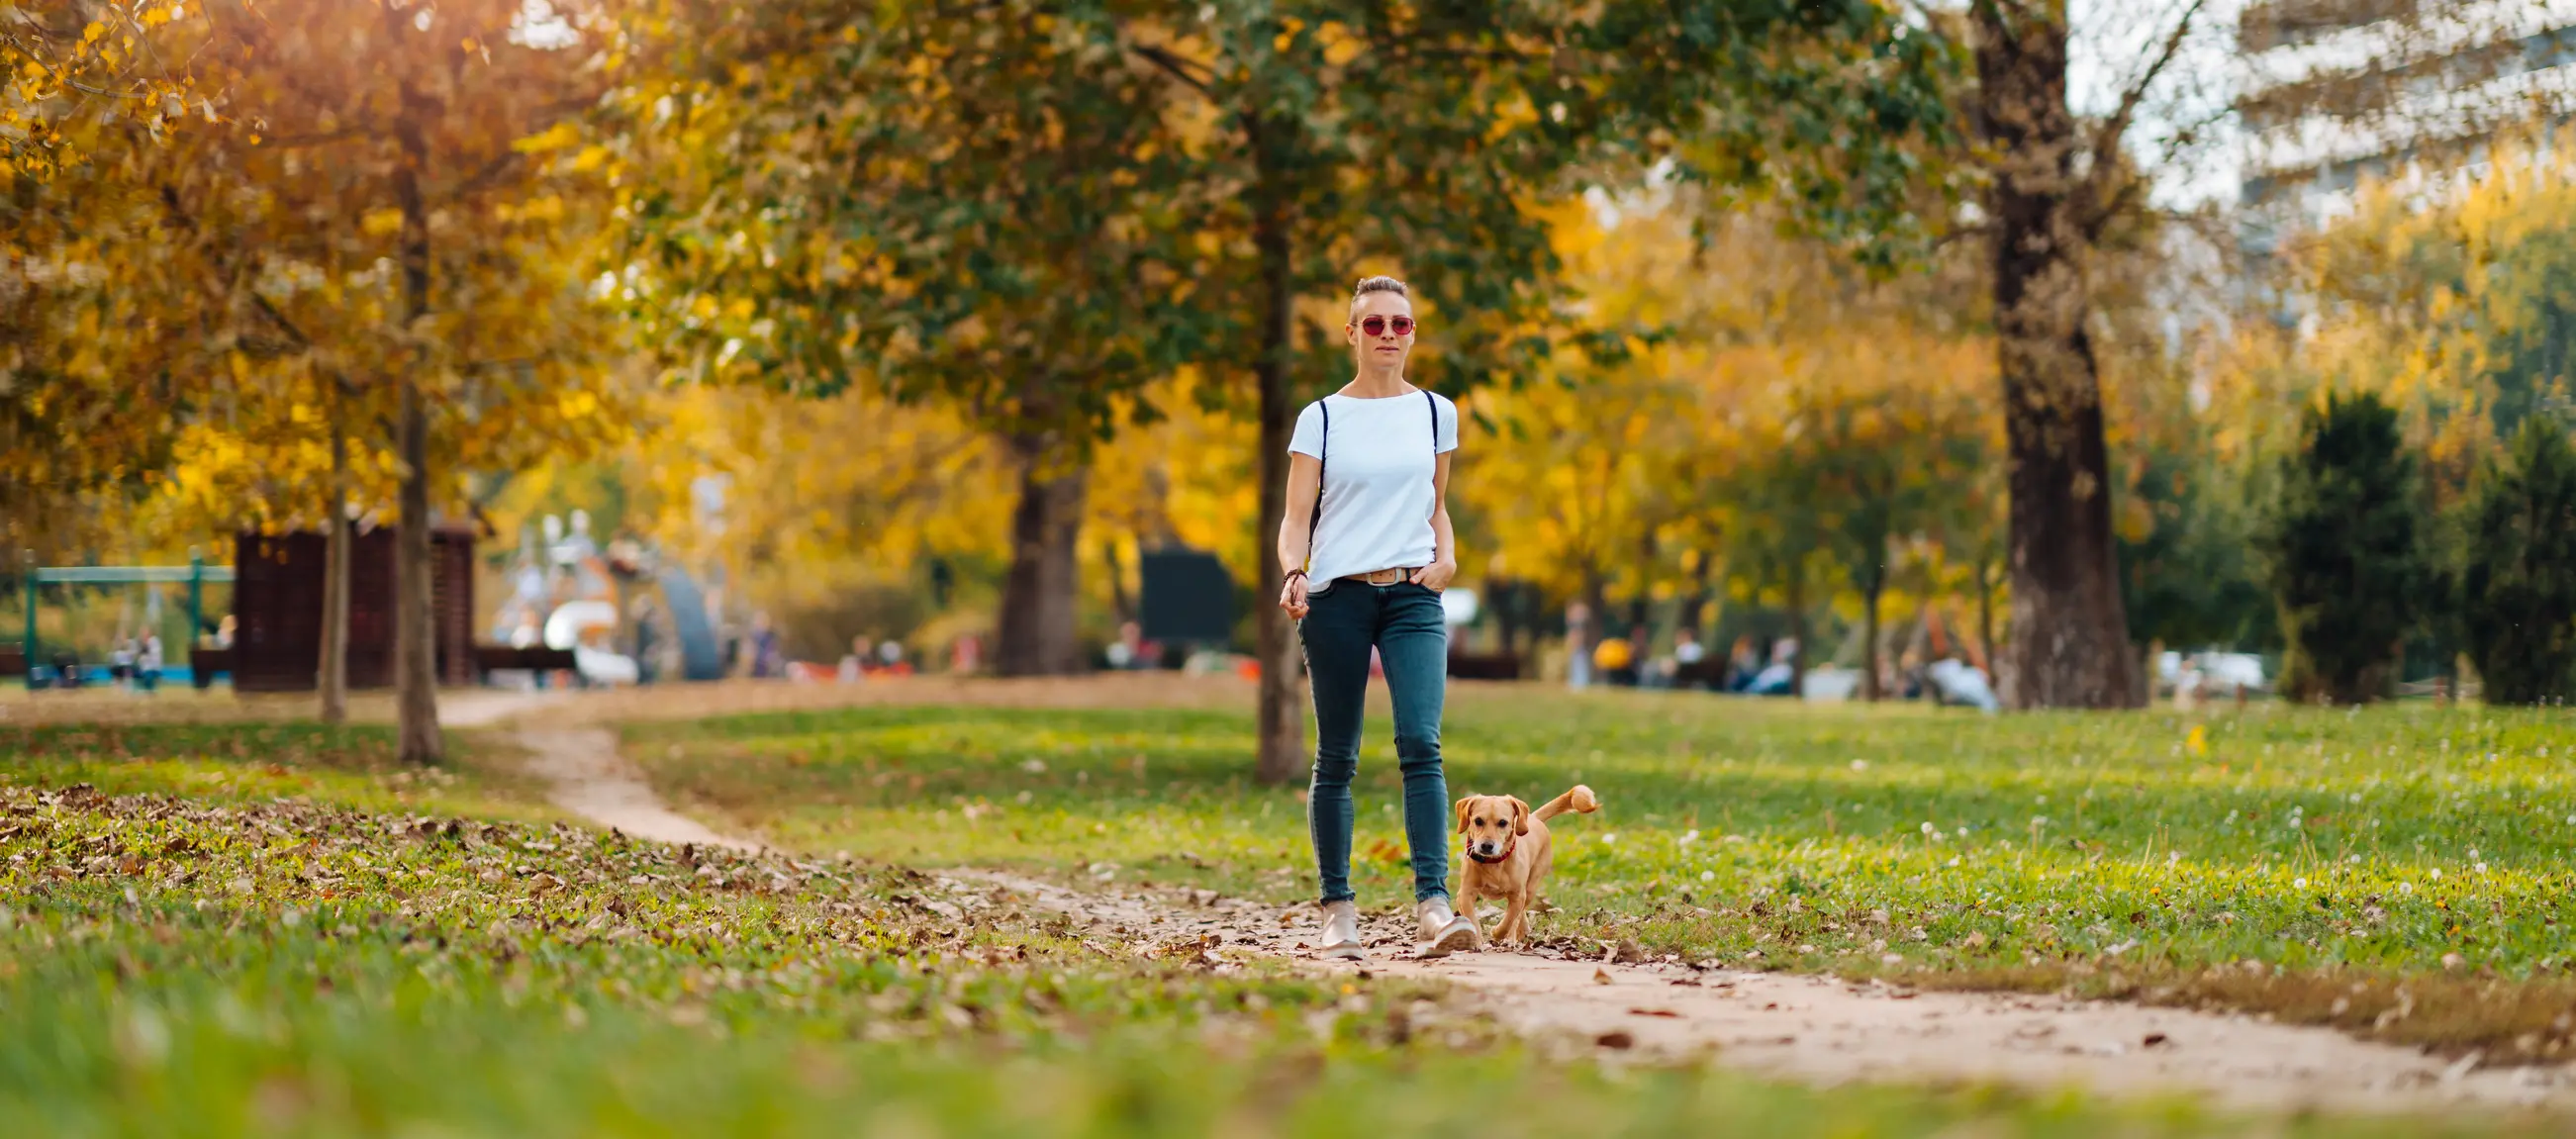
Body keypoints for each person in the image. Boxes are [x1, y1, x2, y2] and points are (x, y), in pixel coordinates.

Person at [1276, 274, 1481, 962]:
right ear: (1351, 334)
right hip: (1336, 597)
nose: (1388, 335)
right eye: (1374, 325)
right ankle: (1337, 907)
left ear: (1413, 332)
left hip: (1413, 596)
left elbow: (1434, 502)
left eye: (1400, 324)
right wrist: (1294, 571)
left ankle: (1433, 904)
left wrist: (1447, 557)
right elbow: (1295, 517)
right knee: (1337, 755)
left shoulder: (1434, 412)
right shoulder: (1322, 418)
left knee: (1421, 743)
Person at [1564, 601, 1593, 689]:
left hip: (1581, 646)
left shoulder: (1580, 623)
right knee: (1575, 661)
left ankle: (1581, 682)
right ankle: (1576, 682)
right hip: (1576, 646)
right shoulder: (1575, 624)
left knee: (1581, 661)